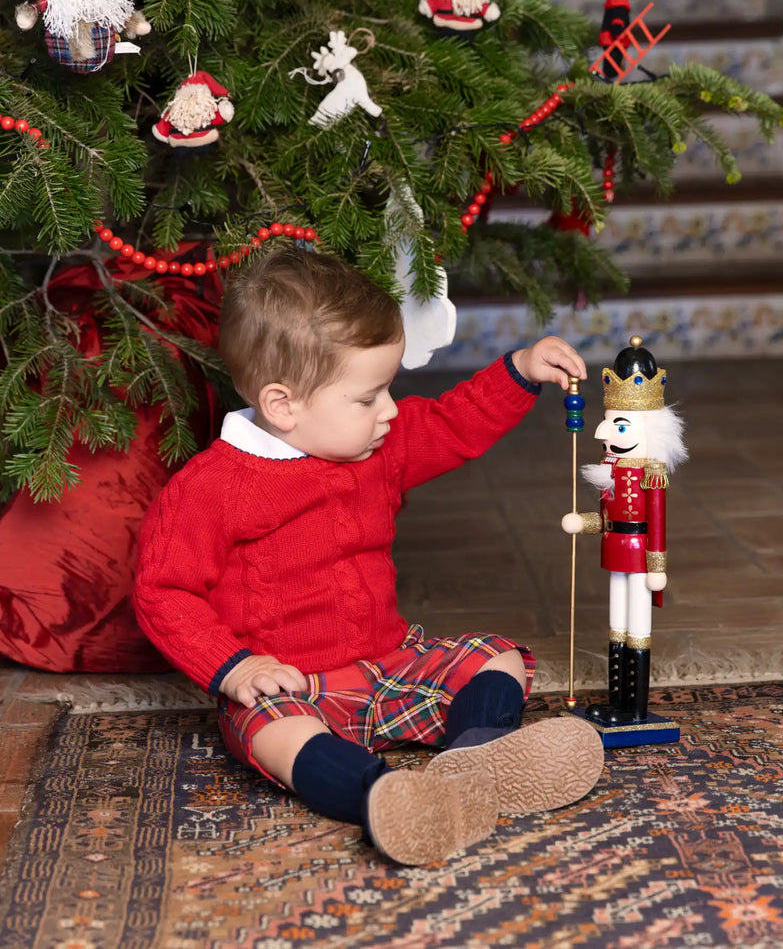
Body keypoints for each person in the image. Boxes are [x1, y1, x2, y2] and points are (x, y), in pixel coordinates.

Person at [133, 244, 605, 866]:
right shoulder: (213, 487)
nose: (388, 411)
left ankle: (477, 759)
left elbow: (450, 424)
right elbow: (162, 592)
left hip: (387, 665)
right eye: (367, 397)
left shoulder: (379, 445)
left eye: (389, 389)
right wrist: (236, 669)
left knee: (495, 659)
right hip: (290, 686)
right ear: (282, 405)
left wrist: (517, 370)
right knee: (276, 733)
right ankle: (381, 794)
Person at [561, 336, 687, 728]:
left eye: (618, 424)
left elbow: (658, 522)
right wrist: (585, 522)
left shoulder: (652, 474)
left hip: (640, 553)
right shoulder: (610, 472)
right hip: (615, 550)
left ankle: (635, 708)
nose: (602, 433)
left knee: (638, 625)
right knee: (616, 622)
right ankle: (617, 701)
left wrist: (657, 565)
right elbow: (606, 515)